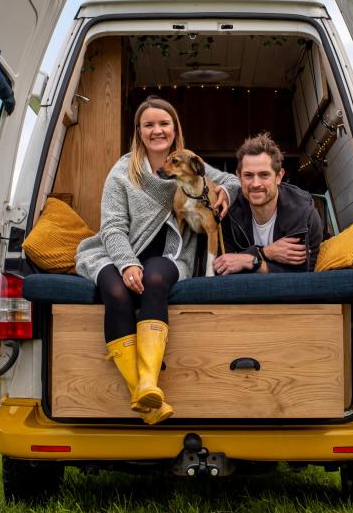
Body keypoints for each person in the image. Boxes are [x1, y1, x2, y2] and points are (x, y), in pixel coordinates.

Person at [74, 96, 238, 424]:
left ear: (175, 130)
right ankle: (146, 396)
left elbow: (230, 180)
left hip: (169, 255)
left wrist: (223, 192)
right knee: (117, 292)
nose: (157, 130)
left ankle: (148, 383)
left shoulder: (189, 163)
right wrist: (126, 263)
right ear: (139, 132)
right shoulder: (122, 173)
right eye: (149, 125)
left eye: (164, 124)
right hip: (114, 251)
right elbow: (112, 227)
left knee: (155, 279)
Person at [212, 132, 323, 275]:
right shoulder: (227, 213)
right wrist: (266, 253)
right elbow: (223, 269)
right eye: (248, 175)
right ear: (238, 177)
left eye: (264, 175)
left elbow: (301, 277)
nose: (255, 184)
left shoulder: (303, 214)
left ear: (279, 176)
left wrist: (250, 261)